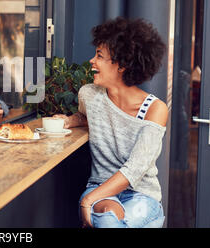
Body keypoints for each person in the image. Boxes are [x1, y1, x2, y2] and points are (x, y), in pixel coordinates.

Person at [54, 17, 168, 228]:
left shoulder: (155, 109)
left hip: (141, 194)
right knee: (108, 218)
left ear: (122, 64)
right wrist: (69, 121)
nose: (91, 61)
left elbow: (134, 170)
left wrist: (87, 201)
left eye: (99, 56)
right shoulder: (89, 95)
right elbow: (89, 117)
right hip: (101, 189)